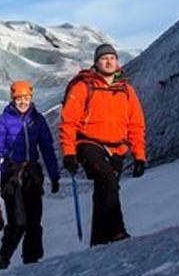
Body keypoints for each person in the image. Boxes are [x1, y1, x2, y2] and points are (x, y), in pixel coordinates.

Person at [60, 43, 147, 245]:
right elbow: (69, 121)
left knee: (105, 189)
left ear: (117, 61)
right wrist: (69, 152)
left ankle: (98, 241)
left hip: (117, 147)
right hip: (89, 143)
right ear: (96, 62)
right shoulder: (84, 86)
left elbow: (136, 124)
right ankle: (118, 231)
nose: (108, 62)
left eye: (112, 58)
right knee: (107, 180)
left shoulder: (126, 89)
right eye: (103, 58)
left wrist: (139, 155)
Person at [0, 80, 60, 269]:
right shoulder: (3, 121)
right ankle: (4, 258)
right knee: (18, 222)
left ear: (31, 98)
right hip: (11, 176)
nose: (23, 102)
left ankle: (32, 262)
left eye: (26, 98)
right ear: (13, 99)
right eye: (19, 98)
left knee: (34, 221)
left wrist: (54, 174)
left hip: (32, 175)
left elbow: (47, 148)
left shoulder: (38, 120)